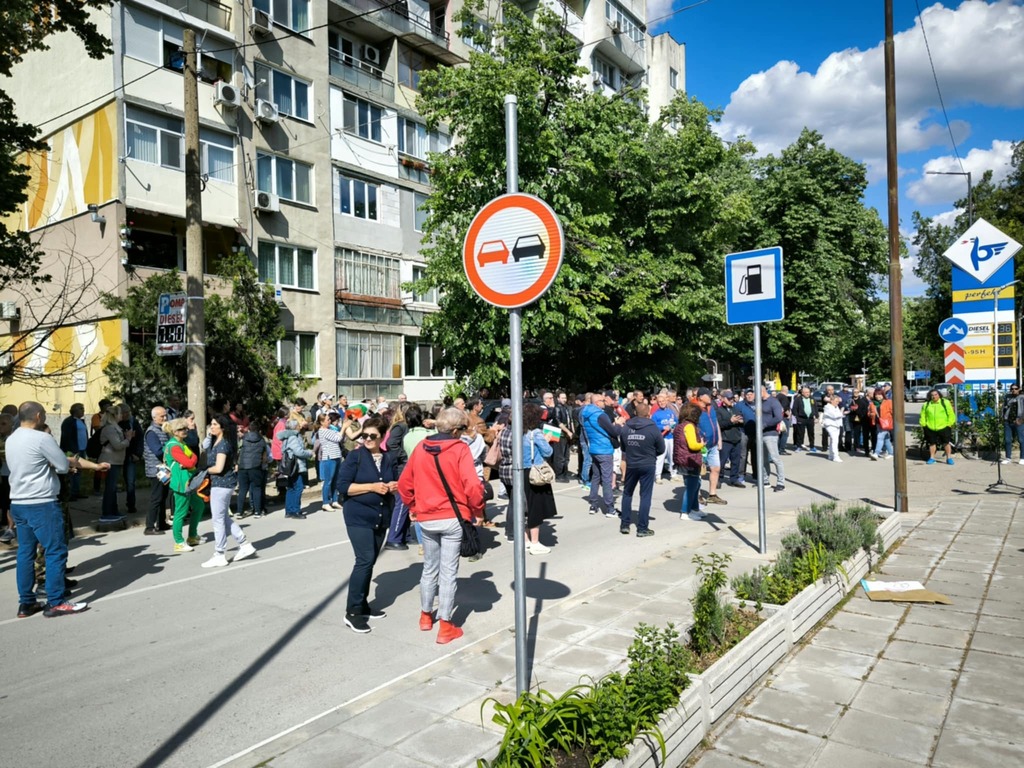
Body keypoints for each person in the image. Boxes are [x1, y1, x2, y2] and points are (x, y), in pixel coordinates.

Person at [399, 407, 484, 644]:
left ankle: (426, 616)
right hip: (453, 517)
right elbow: (472, 485)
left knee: (429, 568)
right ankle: (446, 625)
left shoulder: (420, 448)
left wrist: (414, 507)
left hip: (426, 517)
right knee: (448, 572)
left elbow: (405, 484)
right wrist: (476, 510)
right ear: (456, 430)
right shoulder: (459, 449)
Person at [8, 402, 89, 617]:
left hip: (18, 501)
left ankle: (26, 603)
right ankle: (56, 601)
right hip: (41, 502)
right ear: (37, 416)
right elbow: (62, 465)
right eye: (43, 414)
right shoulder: (41, 438)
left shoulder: (11, 438)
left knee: (25, 553)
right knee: (55, 550)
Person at [336, 416, 397, 634]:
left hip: (381, 516)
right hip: (358, 516)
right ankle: (352, 612)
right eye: (364, 435)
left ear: (382, 437)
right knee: (364, 560)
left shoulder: (388, 457)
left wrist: (393, 486)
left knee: (370, 561)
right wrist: (371, 486)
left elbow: (393, 480)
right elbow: (342, 486)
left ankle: (362, 605)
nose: (367, 439)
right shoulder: (355, 456)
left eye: (373, 436)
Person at [199, 415, 256, 568]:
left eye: (215, 424)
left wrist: (203, 471)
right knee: (223, 518)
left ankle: (219, 553)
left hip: (222, 485)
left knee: (217, 520)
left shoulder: (223, 444)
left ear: (222, 428)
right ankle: (244, 544)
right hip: (220, 484)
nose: (211, 427)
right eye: (211, 424)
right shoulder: (215, 442)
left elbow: (218, 468)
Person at [618, 399, 663, 537]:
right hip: (647, 464)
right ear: (648, 413)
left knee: (627, 493)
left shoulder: (626, 427)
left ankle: (625, 524)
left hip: (632, 464)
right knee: (645, 496)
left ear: (635, 412)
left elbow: (623, 447)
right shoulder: (653, 428)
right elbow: (661, 448)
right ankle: (642, 528)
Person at [163, 418, 204, 552]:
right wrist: (189, 461)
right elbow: (190, 462)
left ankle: (192, 536)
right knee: (180, 513)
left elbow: (193, 458)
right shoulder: (174, 446)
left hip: (187, 481)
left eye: (185, 428)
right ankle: (179, 542)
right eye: (181, 429)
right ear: (174, 431)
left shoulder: (181, 443)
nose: (185, 431)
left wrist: (190, 461)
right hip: (181, 483)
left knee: (199, 505)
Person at [580, 392, 623, 518]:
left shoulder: (585, 414)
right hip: (604, 449)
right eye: (602, 401)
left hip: (593, 448)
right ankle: (610, 508)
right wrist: (619, 423)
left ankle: (593, 504)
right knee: (606, 479)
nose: (605, 402)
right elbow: (614, 432)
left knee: (596, 477)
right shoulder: (600, 415)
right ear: (597, 402)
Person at [522, 403, 556, 554]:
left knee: (523, 507)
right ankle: (535, 542)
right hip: (535, 471)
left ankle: (526, 541)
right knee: (536, 506)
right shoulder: (535, 433)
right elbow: (547, 452)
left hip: (521, 470)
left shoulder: (518, 432)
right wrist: (547, 440)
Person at [98, 405, 132, 523]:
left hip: (115, 460)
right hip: (109, 461)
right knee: (110, 488)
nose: (122, 415)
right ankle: (107, 513)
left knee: (113, 487)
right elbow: (117, 445)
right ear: (114, 415)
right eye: (119, 413)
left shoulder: (115, 427)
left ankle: (113, 511)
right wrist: (128, 439)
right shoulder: (110, 428)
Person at [673, 402, 705, 520]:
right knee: (692, 486)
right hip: (689, 460)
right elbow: (692, 445)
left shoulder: (680, 426)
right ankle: (686, 511)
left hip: (682, 459)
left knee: (696, 484)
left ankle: (695, 508)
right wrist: (701, 444)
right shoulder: (689, 426)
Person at [142, 406, 171, 534]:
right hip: (156, 470)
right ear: (154, 417)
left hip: (164, 469)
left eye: (165, 415)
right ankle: (149, 526)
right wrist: (170, 449)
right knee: (156, 497)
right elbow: (158, 451)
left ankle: (161, 523)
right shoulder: (152, 432)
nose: (165, 418)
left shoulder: (163, 430)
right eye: (162, 416)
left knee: (163, 496)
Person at [279, 420, 313, 519]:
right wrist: (309, 453)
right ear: (294, 427)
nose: (300, 426)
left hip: (291, 466)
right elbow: (298, 452)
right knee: (298, 487)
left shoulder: (286, 436)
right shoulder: (294, 437)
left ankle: (289, 510)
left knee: (291, 487)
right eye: (298, 425)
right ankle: (295, 511)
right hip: (296, 466)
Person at [237, 416, 269, 518]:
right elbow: (264, 457)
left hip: (243, 466)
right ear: (258, 430)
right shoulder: (262, 440)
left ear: (249, 429)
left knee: (242, 489)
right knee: (257, 488)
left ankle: (239, 512)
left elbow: (238, 452)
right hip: (256, 467)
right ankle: (257, 512)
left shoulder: (243, 439)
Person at [315, 412, 345, 513]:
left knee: (335, 480)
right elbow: (338, 438)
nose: (329, 421)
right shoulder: (322, 431)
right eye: (327, 420)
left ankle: (334, 500)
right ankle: (325, 502)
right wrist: (344, 427)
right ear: (321, 422)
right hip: (329, 458)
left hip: (336, 456)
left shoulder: (330, 429)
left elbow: (339, 436)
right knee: (328, 481)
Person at [716, 390, 747, 488]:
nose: (731, 400)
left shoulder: (735, 409)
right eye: (728, 398)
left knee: (736, 460)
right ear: (723, 398)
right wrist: (730, 421)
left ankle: (734, 479)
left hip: (736, 438)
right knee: (722, 461)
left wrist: (741, 421)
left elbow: (741, 418)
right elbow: (719, 424)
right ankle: (718, 479)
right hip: (725, 439)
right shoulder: (719, 410)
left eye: (731, 398)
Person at [58, 403, 88, 500]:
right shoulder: (69, 421)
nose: (83, 410)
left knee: (79, 471)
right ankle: (69, 493)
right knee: (72, 471)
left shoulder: (81, 421)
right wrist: (71, 451)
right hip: (73, 450)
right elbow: (67, 437)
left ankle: (76, 491)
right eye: (81, 409)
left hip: (82, 449)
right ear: (74, 410)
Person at [119, 403, 144, 516]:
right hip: (118, 454)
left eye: (128, 412)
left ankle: (131, 505)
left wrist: (138, 454)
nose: (127, 414)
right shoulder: (116, 423)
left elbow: (139, 438)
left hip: (130, 455)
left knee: (131, 482)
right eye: (125, 413)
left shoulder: (133, 422)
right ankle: (112, 507)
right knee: (113, 481)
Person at [759, 387, 786, 492]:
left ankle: (781, 482)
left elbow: (778, 417)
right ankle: (765, 480)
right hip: (760, 434)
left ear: (763, 391)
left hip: (771, 434)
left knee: (775, 459)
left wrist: (765, 424)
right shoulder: (759, 402)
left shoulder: (773, 402)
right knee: (763, 459)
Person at [920, 389, 956, 465]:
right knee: (932, 443)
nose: (934, 396)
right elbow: (923, 415)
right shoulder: (926, 404)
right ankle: (932, 458)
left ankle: (949, 458)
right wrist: (923, 424)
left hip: (944, 426)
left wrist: (949, 424)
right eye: (932, 395)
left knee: (946, 443)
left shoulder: (945, 402)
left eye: (935, 394)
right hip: (930, 427)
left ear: (939, 395)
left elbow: (951, 414)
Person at [1001, 384, 1024, 465]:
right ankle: (1008, 458)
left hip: (1019, 421)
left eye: (1016, 388)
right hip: (1008, 421)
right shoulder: (1007, 397)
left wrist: (1022, 419)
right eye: (1012, 389)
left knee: (1021, 440)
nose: (1014, 390)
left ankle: (1022, 458)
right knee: (1007, 440)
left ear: (1019, 389)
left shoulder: (1022, 397)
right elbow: (1003, 408)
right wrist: (1003, 417)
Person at [791, 386, 818, 453]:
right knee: (800, 433)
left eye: (808, 392)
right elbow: (794, 409)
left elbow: (815, 408)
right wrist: (797, 417)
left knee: (811, 433)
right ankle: (799, 446)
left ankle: (812, 446)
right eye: (806, 392)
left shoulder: (812, 399)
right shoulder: (798, 399)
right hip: (801, 418)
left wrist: (816, 417)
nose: (807, 394)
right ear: (802, 393)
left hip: (810, 418)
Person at [822, 395, 845, 463]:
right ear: (831, 401)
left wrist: (841, 413)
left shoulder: (836, 407)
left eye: (838, 401)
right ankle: (836, 456)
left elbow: (839, 415)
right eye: (836, 401)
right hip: (830, 425)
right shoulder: (827, 407)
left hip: (837, 425)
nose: (837, 403)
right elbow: (835, 415)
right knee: (835, 440)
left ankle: (831, 455)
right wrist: (841, 412)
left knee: (833, 440)